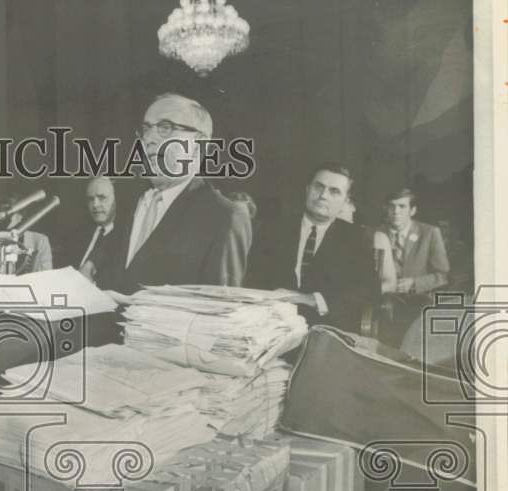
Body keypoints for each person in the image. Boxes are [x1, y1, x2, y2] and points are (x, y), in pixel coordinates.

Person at [95, 93, 251, 294]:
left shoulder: (224, 216)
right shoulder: (130, 202)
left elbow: (216, 313)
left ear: (199, 146)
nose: (149, 139)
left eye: (165, 128)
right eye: (145, 129)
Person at [246, 163, 376, 333]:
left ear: (345, 200)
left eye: (334, 191)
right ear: (307, 190)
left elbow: (369, 290)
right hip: (271, 326)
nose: (323, 195)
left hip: (327, 331)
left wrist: (313, 300)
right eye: (318, 187)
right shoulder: (272, 229)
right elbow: (252, 280)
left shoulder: (356, 238)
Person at [377, 188, 449, 296]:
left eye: (402, 206)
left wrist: (414, 283)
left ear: (412, 211)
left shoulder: (430, 233)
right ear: (385, 209)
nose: (396, 211)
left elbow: (443, 276)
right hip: (383, 300)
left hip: (417, 302)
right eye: (392, 206)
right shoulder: (376, 234)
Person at [78, 177, 119, 284]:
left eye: (102, 198)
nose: (95, 205)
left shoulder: (125, 237)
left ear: (116, 200)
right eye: (91, 199)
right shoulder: (78, 235)